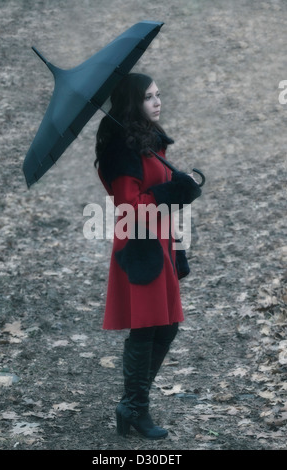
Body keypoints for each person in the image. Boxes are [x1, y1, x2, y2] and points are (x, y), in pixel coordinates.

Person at [94, 73, 202, 439]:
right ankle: (135, 407)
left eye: (158, 95)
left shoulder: (146, 141)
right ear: (131, 102)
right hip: (139, 242)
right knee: (148, 326)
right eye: (148, 97)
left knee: (167, 324)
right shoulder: (120, 150)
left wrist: (177, 198)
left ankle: (131, 405)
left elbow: (159, 194)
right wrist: (173, 192)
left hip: (160, 239)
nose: (157, 102)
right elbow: (128, 206)